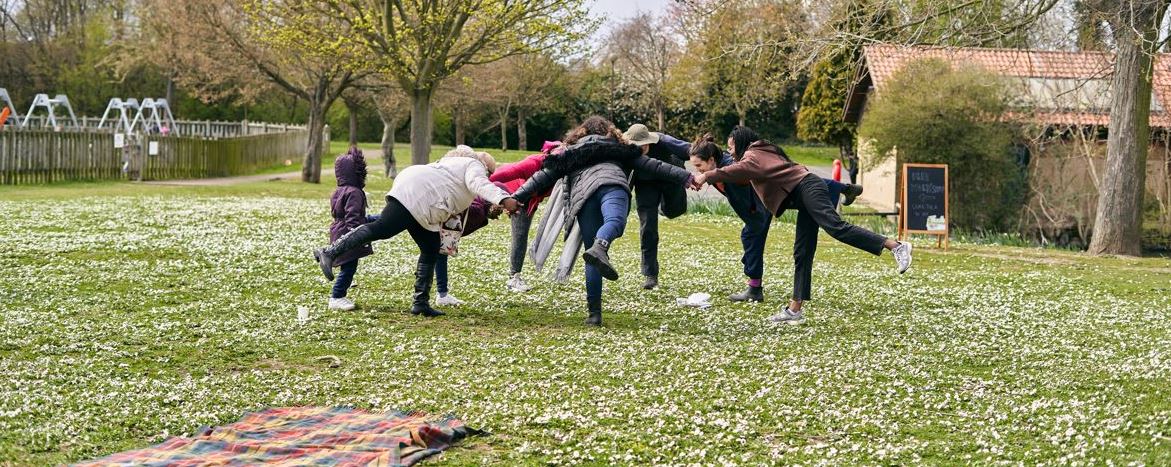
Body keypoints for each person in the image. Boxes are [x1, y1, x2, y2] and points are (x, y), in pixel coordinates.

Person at [691, 126, 913, 325]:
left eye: (731, 147)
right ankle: (794, 309)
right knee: (802, 252)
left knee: (836, 228)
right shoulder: (761, 151)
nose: (729, 152)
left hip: (808, 188)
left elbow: (737, 170)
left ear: (741, 142)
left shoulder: (753, 154)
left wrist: (707, 176)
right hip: (804, 195)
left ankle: (896, 246)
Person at [512, 116, 692, 326]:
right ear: (609, 132)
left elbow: (542, 176)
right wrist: (687, 177)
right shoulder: (619, 149)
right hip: (612, 186)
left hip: (584, 198)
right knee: (614, 222)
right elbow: (654, 165)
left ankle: (594, 314)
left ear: (582, 133)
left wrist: (515, 198)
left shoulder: (571, 152)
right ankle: (602, 244)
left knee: (592, 254)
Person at [313, 145, 519, 318]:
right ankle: (330, 252)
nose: (489, 176)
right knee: (382, 228)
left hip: (421, 200)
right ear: (483, 166)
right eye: (489, 172)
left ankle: (421, 303)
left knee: (430, 248)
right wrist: (504, 199)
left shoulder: (452, 165)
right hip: (416, 196)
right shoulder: (473, 165)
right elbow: (479, 183)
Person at [622, 124, 691, 290]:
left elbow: (691, 150)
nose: (640, 149)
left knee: (674, 211)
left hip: (671, 177)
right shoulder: (625, 150)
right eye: (636, 146)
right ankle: (650, 275)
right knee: (648, 228)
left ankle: (663, 207)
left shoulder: (664, 141)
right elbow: (624, 178)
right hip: (645, 184)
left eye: (643, 145)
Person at [489, 141, 563, 292]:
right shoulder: (533, 163)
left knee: (521, 234)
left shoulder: (561, 171)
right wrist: (482, 188)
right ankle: (514, 278)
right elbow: (504, 174)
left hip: (529, 200)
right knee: (520, 235)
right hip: (514, 195)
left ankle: (514, 276)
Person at [433, 181, 508, 306]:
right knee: (434, 255)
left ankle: (441, 294)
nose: (501, 210)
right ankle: (436, 295)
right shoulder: (477, 209)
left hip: (437, 226)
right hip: (434, 223)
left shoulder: (478, 205)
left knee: (437, 255)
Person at [325, 147, 373, 311]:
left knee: (348, 266)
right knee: (349, 267)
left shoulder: (338, 191)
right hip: (348, 233)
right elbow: (353, 217)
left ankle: (341, 288)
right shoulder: (355, 192)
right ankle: (337, 296)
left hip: (338, 230)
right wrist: (358, 236)